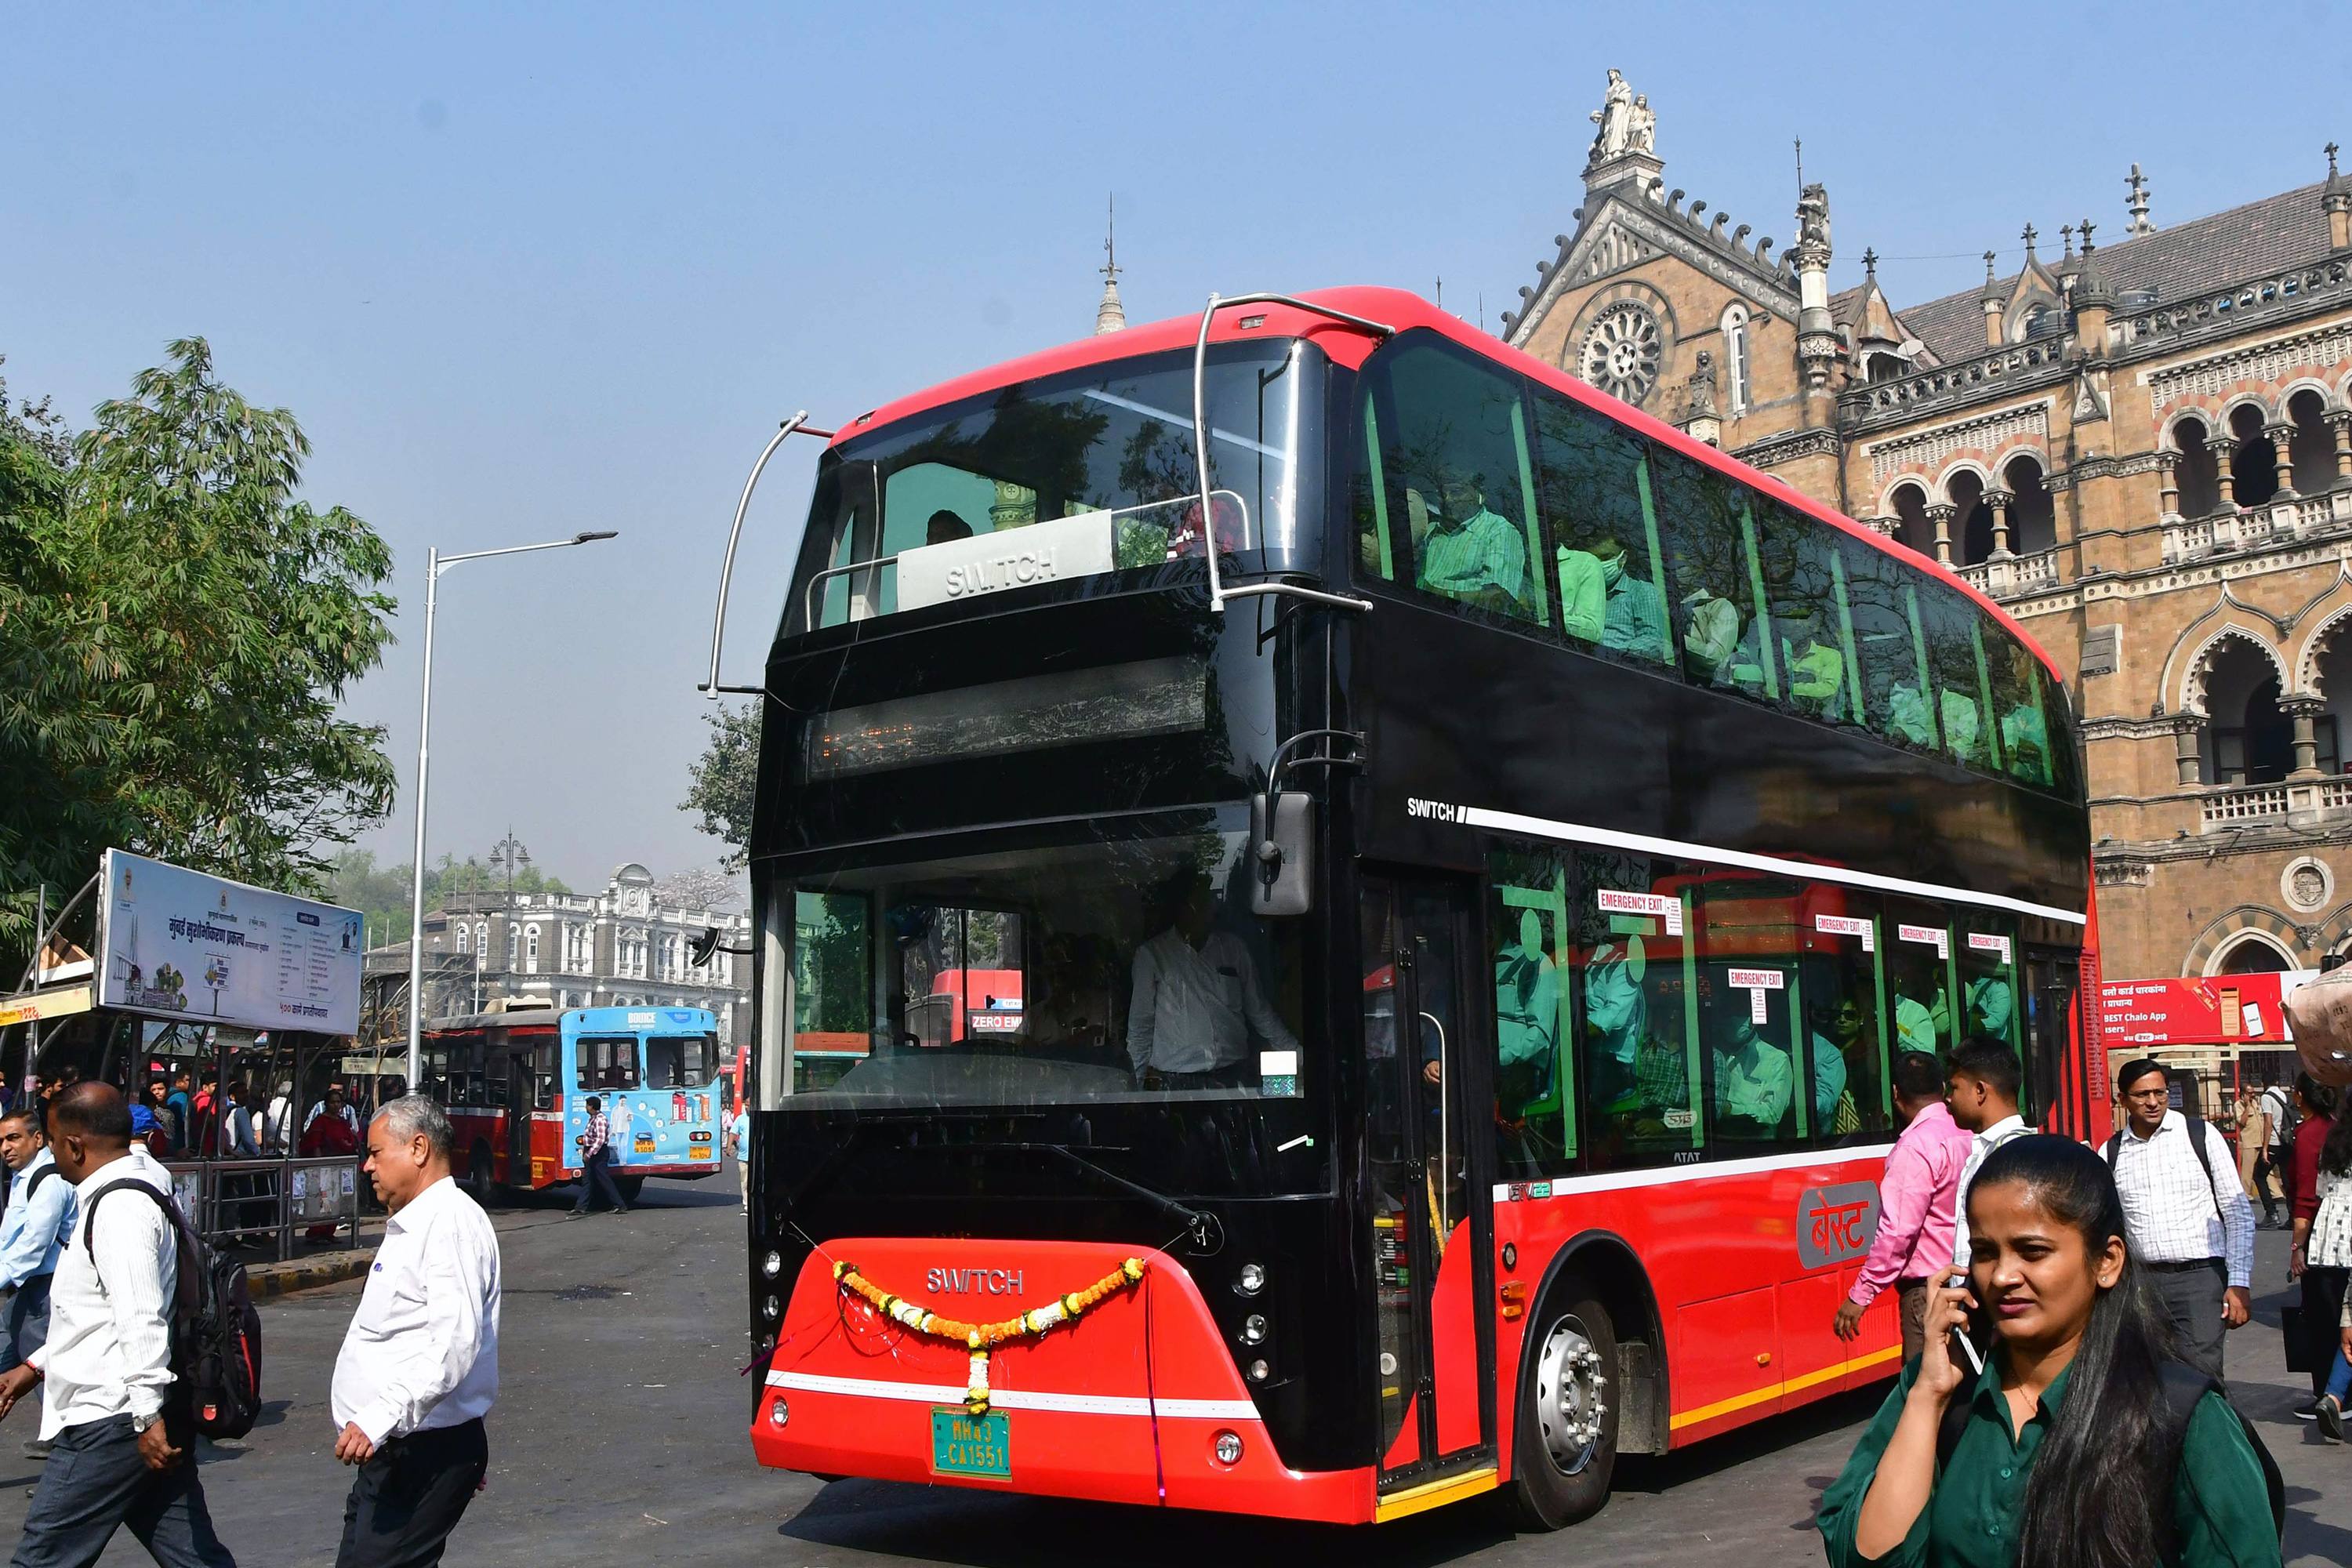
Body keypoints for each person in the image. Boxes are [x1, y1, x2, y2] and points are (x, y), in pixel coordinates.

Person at [1817, 1135, 2281, 1568]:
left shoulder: (2181, 1415)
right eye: (1984, 1251)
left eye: (2032, 1252)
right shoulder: (1942, 1392)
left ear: (2107, 1262)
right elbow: (1864, 1559)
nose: (2001, 1276)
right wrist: (1927, 1396)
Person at [0, 1084, 238, 1568]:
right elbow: (98, 1315)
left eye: (49, 1139)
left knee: (43, 1556)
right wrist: (33, 1368)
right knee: (194, 1557)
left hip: (112, 1418)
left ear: (74, 1145)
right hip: (134, 1413)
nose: (48, 1150)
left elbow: (141, 1316)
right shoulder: (119, 1195)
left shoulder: (119, 1207)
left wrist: (148, 1417)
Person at [330, 1096, 497, 1567]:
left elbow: (455, 1344)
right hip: (400, 1449)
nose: (367, 1166)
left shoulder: (448, 1224)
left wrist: (384, 1417)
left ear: (419, 1148)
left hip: (420, 1450)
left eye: (377, 1152)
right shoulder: (419, 1221)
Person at [2103, 1058, 2254, 1378]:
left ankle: (2213, 1430)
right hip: (2143, 1286)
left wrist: (2239, 1282)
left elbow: (2238, 1212)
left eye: (2160, 1092)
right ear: (2123, 1099)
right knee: (2151, 1382)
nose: (2153, 1102)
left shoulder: (2200, 1136)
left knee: (2202, 1379)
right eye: (2142, 1095)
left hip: (2200, 1282)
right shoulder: (2112, 1152)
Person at [1833, 1051, 1974, 1362]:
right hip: (1969, 1283)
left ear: (1896, 1094)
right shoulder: (1967, 1131)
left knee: (1926, 1393)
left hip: (1930, 1294)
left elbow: (1897, 1233)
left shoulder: (1914, 1147)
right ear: (1942, 1086)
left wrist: (1861, 1294)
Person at [1125, 872, 1298, 1088]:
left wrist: (1295, 1052)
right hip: (1177, 1083)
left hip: (1235, 1078)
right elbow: (1140, 1026)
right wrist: (1134, 1089)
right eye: (1199, 902)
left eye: (1208, 901)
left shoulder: (1233, 949)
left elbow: (1259, 1010)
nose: (1210, 908)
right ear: (1182, 907)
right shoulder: (1151, 955)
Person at [0, 1107, 76, 1457]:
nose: (5, 1147)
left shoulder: (50, 1180)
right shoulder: (25, 1178)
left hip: (44, 1292)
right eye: (1, 1140)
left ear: (38, 1139)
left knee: (48, 1374)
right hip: (23, 1291)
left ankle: (69, 1454)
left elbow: (33, 1246)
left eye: (13, 1138)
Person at [1945, 1035, 2030, 1271]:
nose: (1948, 1098)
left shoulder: (2013, 1155)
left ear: (1980, 1090)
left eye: (1954, 1087)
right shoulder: (1984, 1151)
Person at [2290, 1074, 2343, 1415]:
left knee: (2323, 1320)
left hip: (2321, 1238)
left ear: (2299, 1098)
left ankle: (2330, 1392)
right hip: (2341, 1235)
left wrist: (2297, 1248)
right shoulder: (2337, 1128)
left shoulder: (2309, 1134)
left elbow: (2306, 1198)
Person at [2304, 1103, 2352, 1442]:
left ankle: (2333, 1394)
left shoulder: (2333, 1141)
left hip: (2329, 1236)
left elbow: (2320, 1190)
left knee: (2341, 1319)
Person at [1406, 481, 1527, 615]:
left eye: (1456, 492)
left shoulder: (1498, 530)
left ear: (1480, 495)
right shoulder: (1429, 531)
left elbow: (1499, 600)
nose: (1447, 500)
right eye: (1441, 494)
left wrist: (1435, 593)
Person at [1706, 997, 1791, 1138]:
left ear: (1753, 1021)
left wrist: (1731, 1109)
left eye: (1739, 1013)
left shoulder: (1776, 1059)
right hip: (1715, 1140)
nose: (1732, 1019)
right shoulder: (1711, 1053)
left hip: (1754, 1143)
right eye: (1728, 1013)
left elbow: (1772, 1112)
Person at [570, 1096, 626, 1217]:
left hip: (598, 1153)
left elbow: (600, 1140)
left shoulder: (600, 1119)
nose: (586, 1107)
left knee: (604, 1179)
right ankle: (580, 1207)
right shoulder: (593, 1118)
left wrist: (589, 1154)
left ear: (591, 1106)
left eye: (587, 1105)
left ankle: (619, 1204)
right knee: (588, 1180)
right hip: (593, 1151)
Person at [2257, 1077, 2294, 1229]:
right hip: (2286, 1141)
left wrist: (2265, 1148)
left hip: (2273, 1142)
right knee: (2287, 1179)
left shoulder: (2266, 1097)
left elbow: (2268, 1122)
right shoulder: (2283, 1095)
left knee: (2259, 1175)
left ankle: (2271, 1213)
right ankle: (2292, 1216)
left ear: (2262, 1084)